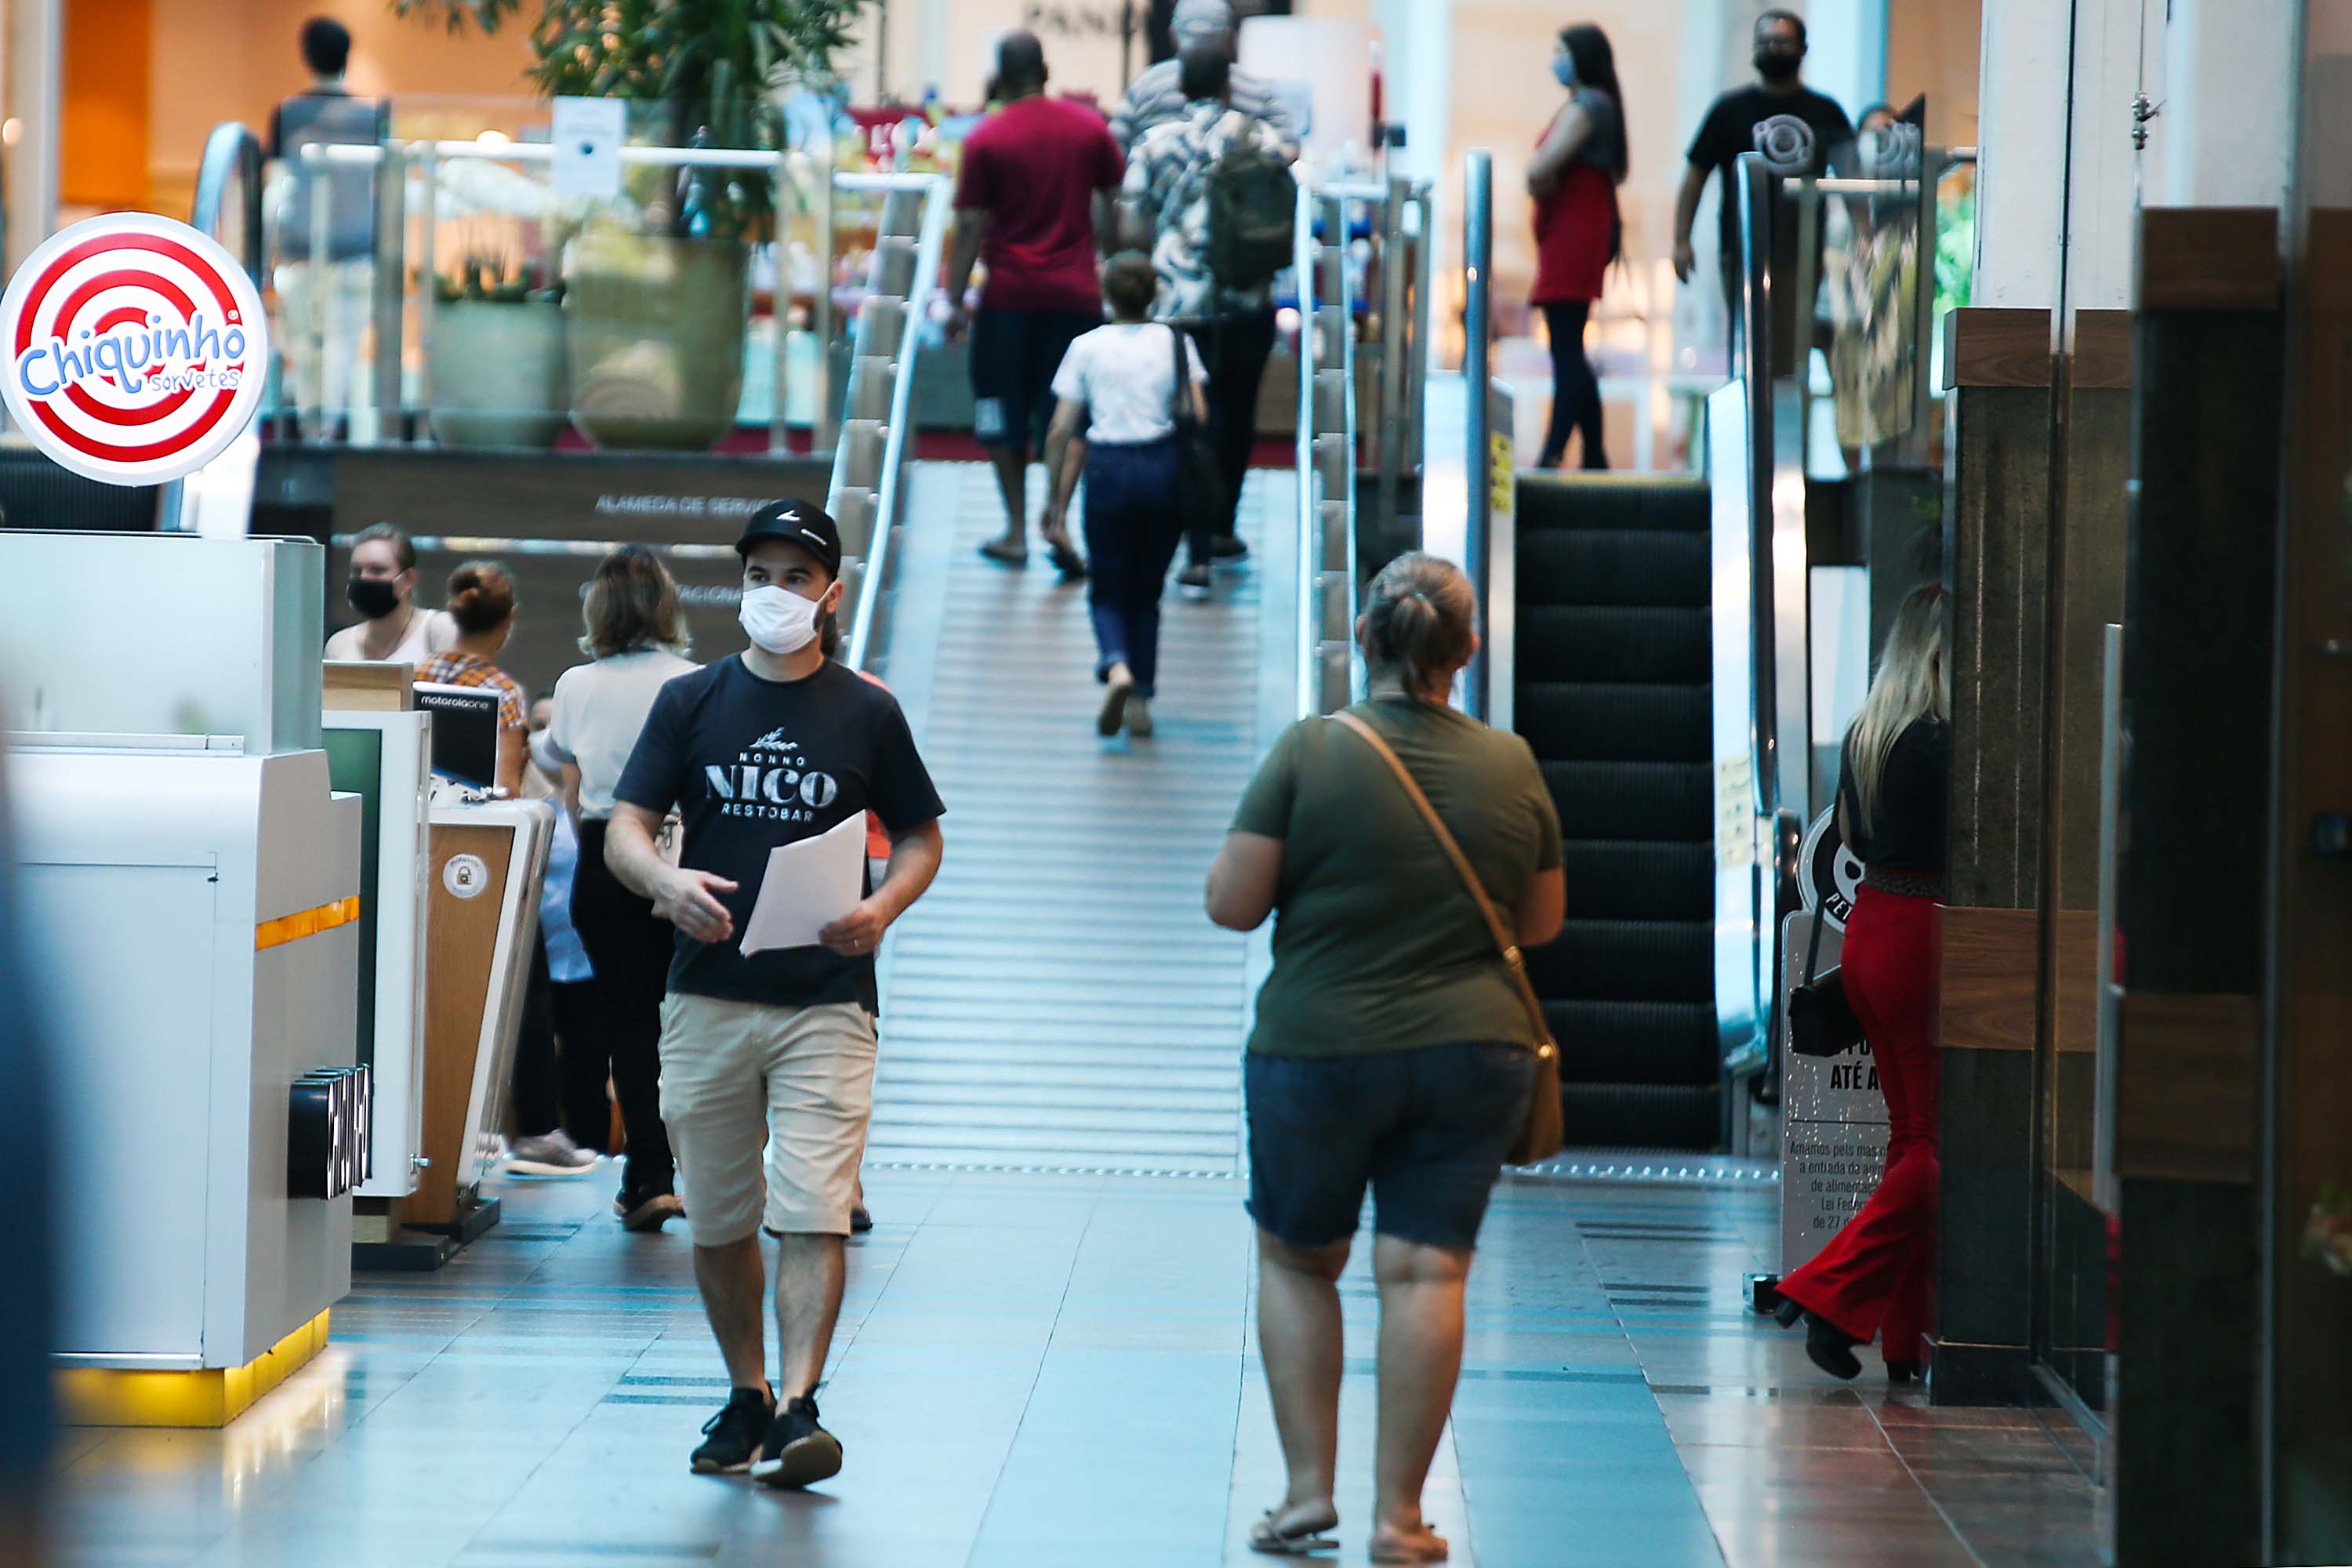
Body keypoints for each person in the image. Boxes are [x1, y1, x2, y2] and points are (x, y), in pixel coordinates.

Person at [1204, 554, 1566, 1564]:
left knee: (1297, 1257)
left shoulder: (1308, 751)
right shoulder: (1512, 763)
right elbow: (1540, 922)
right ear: (1467, 652)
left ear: (1364, 638)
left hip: (1317, 1049)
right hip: (1472, 1051)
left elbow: (1233, 903)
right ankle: (1399, 1519)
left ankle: (1306, 1492)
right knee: (1423, 1271)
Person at [602, 499, 945, 1487]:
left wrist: (882, 907)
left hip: (828, 998)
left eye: (798, 577)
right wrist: (664, 880)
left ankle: (801, 1405)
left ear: (830, 594)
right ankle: (746, 1392)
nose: (776, 593)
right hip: (707, 992)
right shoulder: (693, 701)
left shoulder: (866, 710)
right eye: (761, 573)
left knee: (813, 1208)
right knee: (715, 1215)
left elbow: (921, 833)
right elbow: (629, 823)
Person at [1771, 583, 1948, 1383]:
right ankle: (1827, 1291)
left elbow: (1845, 831)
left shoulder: (1871, 732)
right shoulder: (1945, 742)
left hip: (1872, 927)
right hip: (1922, 935)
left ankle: (1905, 1340)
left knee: (1910, 1139)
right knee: (1936, 1145)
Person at [546, 546, 699, 1229]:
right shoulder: (700, 682)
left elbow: (555, 760)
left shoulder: (578, 684)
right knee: (691, 1024)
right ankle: (707, 1168)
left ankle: (647, 1175)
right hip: (682, 856)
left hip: (606, 861)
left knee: (627, 1024)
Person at [942, 31, 1123, 576]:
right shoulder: (1089, 128)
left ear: (999, 78)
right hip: (1077, 300)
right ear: (1045, 71)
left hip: (1007, 301)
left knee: (1002, 415)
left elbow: (971, 222)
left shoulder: (985, 139)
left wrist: (952, 300)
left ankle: (1017, 530)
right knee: (1070, 414)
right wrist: (1111, 266)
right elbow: (1112, 203)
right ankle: (1059, 515)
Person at [1120, 42, 1292, 598]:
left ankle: (1185, 538)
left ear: (1180, 87)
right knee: (1237, 416)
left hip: (1178, 309)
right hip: (1246, 301)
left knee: (1185, 421)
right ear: (1227, 86)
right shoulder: (1258, 137)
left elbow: (1131, 227)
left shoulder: (1155, 142)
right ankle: (1223, 528)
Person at [1040, 250, 1210, 739]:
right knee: (1148, 591)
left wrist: (1055, 501)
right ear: (1154, 294)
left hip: (1109, 471)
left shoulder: (1086, 347)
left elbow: (1061, 429)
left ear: (1106, 294)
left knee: (1109, 585)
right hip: (1163, 469)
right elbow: (1197, 411)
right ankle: (1142, 700)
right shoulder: (1176, 342)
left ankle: (1116, 664)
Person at [1670, 9, 1853, 372]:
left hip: (1802, 252)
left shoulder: (1826, 112)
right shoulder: (1728, 110)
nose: (1773, 48)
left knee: (1790, 350)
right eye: (1765, 42)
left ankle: (1783, 417)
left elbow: (1854, 179)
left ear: (1802, 48)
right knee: (1750, 346)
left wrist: (1865, 242)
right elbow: (1695, 175)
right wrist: (1681, 240)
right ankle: (1754, 418)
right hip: (1740, 251)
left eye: (1782, 42)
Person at [268, 17, 389, 441]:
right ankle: (333, 428)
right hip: (358, 247)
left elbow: (278, 188)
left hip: (300, 248)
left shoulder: (290, 114)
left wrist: (266, 250)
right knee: (343, 346)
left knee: (304, 345)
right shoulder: (372, 117)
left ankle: (312, 428)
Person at [503, 699, 610, 1179]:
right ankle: (542, 1138)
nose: (546, 739)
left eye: (556, 728)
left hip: (588, 958)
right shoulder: (527, 803)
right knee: (534, 1059)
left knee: (589, 1073)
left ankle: (598, 1160)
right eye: (539, 726)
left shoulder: (597, 799)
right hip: (538, 954)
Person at [1526, 24, 1628, 470]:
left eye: (1561, 51)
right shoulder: (1588, 105)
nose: (1555, 59)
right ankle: (1594, 454)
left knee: (1565, 347)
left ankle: (1553, 452)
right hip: (1570, 234)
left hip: (1575, 235)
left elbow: (1540, 170)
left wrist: (1539, 176)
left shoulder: (1589, 106)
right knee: (1570, 345)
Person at [1107, 0, 1298, 160]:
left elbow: (1114, 151)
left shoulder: (1145, 86)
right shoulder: (1254, 89)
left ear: (1173, 35)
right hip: (1235, 202)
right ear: (1229, 36)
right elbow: (1290, 148)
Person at [416, 561, 528, 800]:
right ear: (511, 617)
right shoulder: (503, 693)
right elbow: (507, 788)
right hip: (469, 824)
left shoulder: (415, 677)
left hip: (412, 816)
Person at [325, 523, 456, 664]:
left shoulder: (441, 630)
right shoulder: (339, 646)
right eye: (357, 571)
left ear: (409, 579)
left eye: (377, 570)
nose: (364, 578)